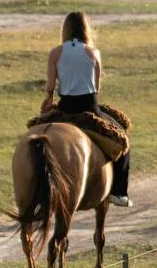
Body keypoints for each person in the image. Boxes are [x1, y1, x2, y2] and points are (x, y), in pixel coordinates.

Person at [41, 12, 132, 207]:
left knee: (37, 137)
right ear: (85, 29)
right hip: (89, 109)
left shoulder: (55, 53)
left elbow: (50, 87)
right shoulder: (93, 53)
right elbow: (96, 88)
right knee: (122, 138)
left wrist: (48, 99)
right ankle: (118, 192)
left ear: (65, 30)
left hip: (64, 109)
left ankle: (40, 188)